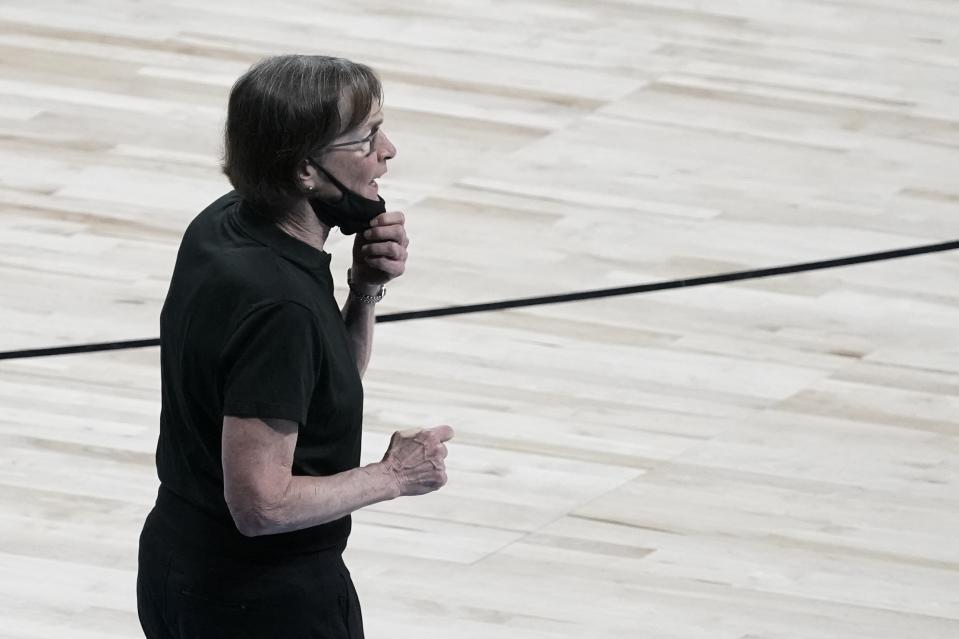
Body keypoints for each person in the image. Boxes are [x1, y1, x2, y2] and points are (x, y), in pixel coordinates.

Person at [136, 54, 454, 639]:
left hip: (176, 565)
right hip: (262, 602)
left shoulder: (224, 224)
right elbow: (262, 505)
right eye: (364, 139)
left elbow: (318, 386)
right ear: (306, 172)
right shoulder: (280, 303)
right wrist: (394, 475)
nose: (387, 150)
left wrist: (364, 290)